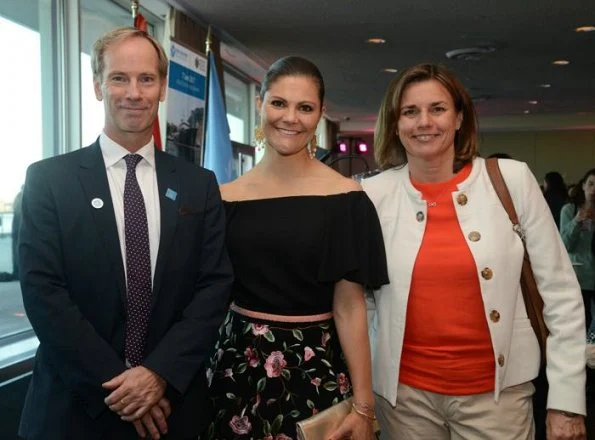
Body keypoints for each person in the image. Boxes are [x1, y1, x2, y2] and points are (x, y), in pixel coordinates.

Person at [18, 27, 233, 440]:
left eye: (146, 79)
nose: (133, 92)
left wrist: (157, 375)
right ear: (98, 86)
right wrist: (122, 388)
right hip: (73, 411)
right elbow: (43, 293)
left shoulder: (198, 185)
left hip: (170, 409)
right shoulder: (49, 181)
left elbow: (214, 287)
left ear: (163, 87)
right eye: (119, 78)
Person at [363, 63, 586, 440]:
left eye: (437, 109)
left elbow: (561, 294)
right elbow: (363, 300)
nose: (424, 122)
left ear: (459, 117)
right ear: (395, 122)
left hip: (498, 398)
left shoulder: (511, 180)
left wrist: (565, 402)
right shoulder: (372, 195)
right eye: (410, 111)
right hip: (404, 402)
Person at [202, 56, 388, 440]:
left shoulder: (346, 199)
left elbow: (350, 307)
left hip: (315, 373)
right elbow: (209, 297)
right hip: (234, 372)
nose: (290, 117)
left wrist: (364, 407)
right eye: (279, 103)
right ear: (260, 103)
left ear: (320, 114)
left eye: (305, 107)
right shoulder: (223, 199)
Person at [560, 168, 595, 334]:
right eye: (590, 184)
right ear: (583, 185)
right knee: (581, 319)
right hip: (579, 275)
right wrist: (577, 221)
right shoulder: (569, 210)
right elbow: (565, 245)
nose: (593, 189)